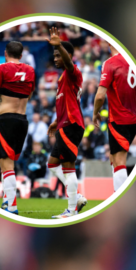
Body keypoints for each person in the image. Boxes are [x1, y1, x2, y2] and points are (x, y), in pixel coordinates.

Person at [0, 41, 36, 215]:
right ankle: (7, 201)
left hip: (7, 118)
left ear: (6, 53)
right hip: (23, 119)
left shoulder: (2, 68)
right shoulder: (30, 70)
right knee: (11, 164)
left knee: (6, 165)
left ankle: (12, 206)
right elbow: (30, 93)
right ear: (21, 55)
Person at [45, 28, 88, 219]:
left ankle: (71, 210)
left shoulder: (73, 72)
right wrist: (56, 121)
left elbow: (69, 63)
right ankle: (76, 196)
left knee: (68, 167)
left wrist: (59, 45)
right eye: (54, 54)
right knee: (53, 165)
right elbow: (68, 102)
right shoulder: (62, 78)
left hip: (72, 124)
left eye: (58, 54)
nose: (55, 57)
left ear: (67, 55)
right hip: (64, 124)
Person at [92, 46, 136, 192]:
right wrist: (135, 111)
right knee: (114, 158)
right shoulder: (134, 62)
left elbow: (100, 96)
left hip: (119, 119)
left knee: (119, 161)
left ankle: (121, 198)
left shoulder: (111, 63)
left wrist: (95, 113)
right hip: (135, 120)